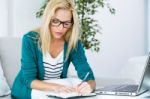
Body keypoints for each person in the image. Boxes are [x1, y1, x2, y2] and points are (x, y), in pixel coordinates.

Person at [11, 0, 96, 98]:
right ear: (48, 19)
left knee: (78, 86)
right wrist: (56, 87)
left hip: (56, 87)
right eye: (55, 21)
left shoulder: (73, 42)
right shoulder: (30, 40)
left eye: (66, 23)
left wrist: (89, 86)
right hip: (30, 88)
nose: (61, 28)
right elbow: (29, 80)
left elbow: (88, 76)